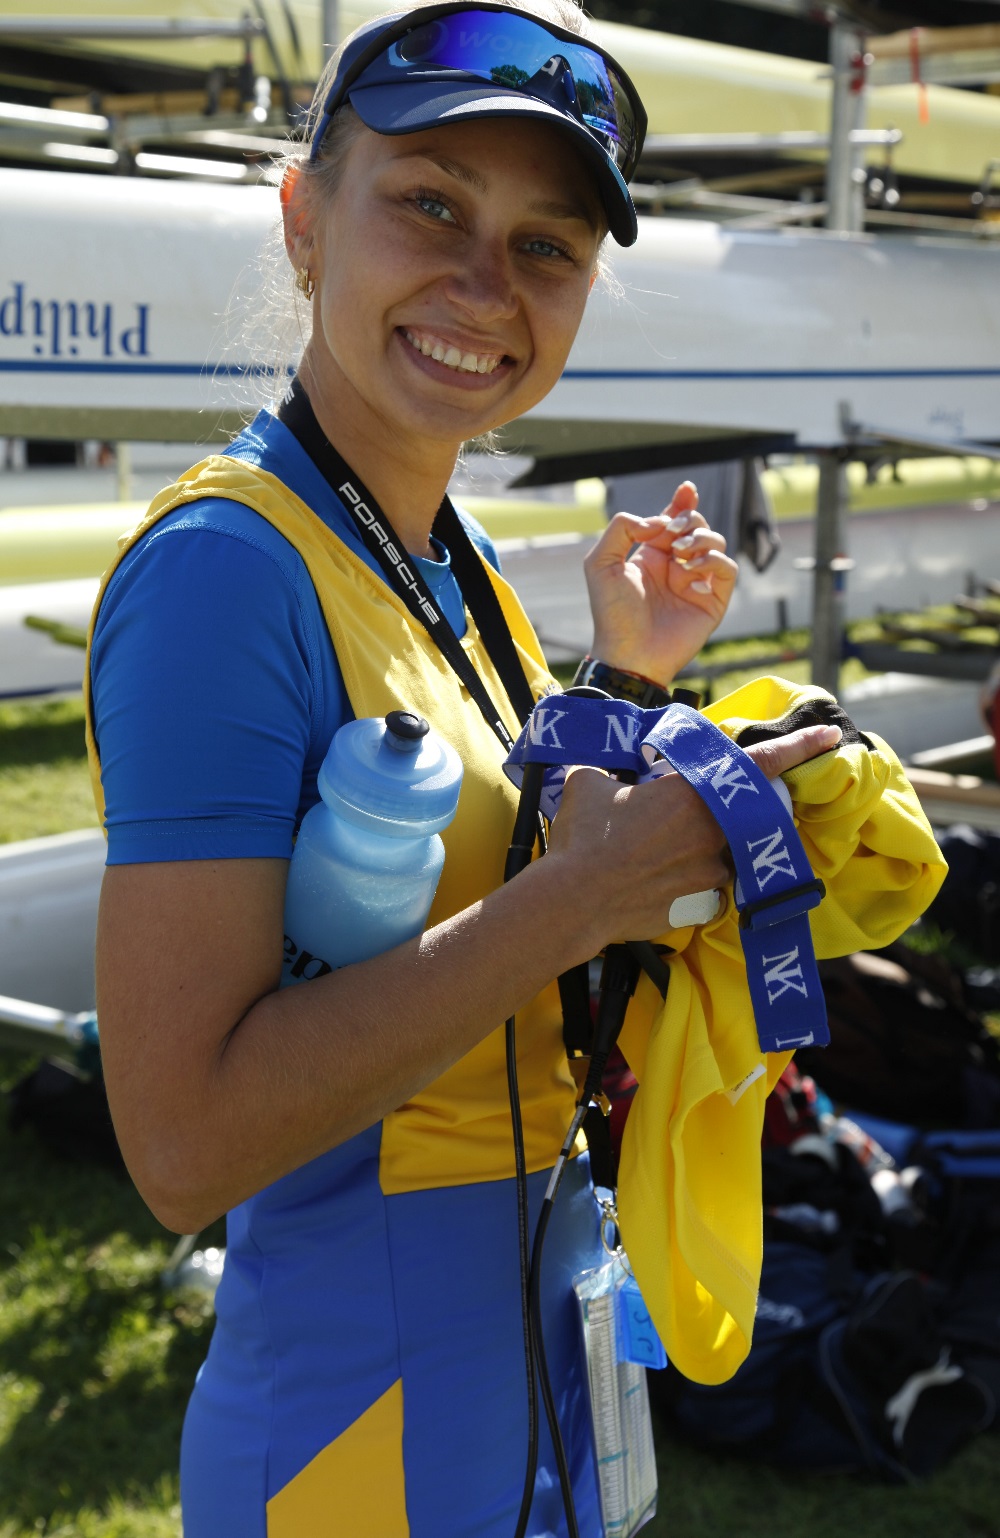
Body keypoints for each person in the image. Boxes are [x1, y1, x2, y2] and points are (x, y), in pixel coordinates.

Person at [85, 4, 843, 1534]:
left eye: (547, 246)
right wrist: (592, 896)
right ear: (305, 222)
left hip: (532, 1376)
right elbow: (180, 1148)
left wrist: (634, 681)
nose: (488, 285)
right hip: (354, 1438)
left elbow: (506, 883)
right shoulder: (227, 572)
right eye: (431, 204)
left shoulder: (454, 552)